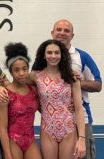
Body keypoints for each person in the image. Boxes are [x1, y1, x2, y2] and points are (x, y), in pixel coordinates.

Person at [51, 19, 102, 159]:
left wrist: (76, 82)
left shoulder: (82, 56)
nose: (62, 33)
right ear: (52, 33)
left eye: (66, 31)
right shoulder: (44, 58)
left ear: (72, 36)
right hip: (53, 123)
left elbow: (98, 84)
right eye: (59, 30)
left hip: (81, 121)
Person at [30, 39, 86, 159]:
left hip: (68, 129)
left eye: (57, 52)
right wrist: (1, 87)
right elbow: (17, 83)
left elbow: (79, 108)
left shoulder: (71, 76)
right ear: (44, 55)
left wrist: (81, 139)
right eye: (49, 53)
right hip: (47, 129)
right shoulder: (35, 76)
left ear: (62, 55)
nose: (53, 56)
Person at [0, 42, 41, 159]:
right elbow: (2, 127)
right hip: (13, 140)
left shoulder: (33, 90)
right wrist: (7, 153)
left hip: (30, 139)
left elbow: (46, 110)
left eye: (24, 69)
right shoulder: (5, 93)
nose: (21, 73)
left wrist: (67, 107)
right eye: (17, 70)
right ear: (11, 72)